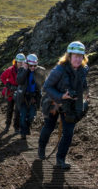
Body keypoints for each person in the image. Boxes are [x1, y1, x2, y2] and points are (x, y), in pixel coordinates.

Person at [38, 41, 89, 169]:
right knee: (49, 126)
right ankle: (41, 148)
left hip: (70, 105)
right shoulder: (59, 69)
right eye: (75, 55)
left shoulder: (83, 70)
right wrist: (61, 96)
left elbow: (83, 84)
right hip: (53, 102)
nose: (77, 59)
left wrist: (85, 94)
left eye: (80, 56)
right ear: (69, 56)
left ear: (83, 57)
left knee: (68, 132)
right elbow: (46, 87)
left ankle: (60, 159)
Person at [16, 54, 46, 140]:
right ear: (27, 64)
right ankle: (23, 133)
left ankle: (27, 127)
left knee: (32, 116)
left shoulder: (41, 71)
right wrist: (25, 70)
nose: (33, 67)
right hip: (23, 97)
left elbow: (44, 82)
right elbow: (19, 81)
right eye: (31, 66)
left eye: (35, 65)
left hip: (34, 97)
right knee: (23, 116)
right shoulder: (22, 69)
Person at [0, 53, 26, 134]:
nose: (20, 64)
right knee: (9, 109)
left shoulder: (25, 71)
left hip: (20, 93)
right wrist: (8, 84)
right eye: (19, 62)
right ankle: (7, 126)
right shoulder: (10, 70)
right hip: (11, 92)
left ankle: (16, 127)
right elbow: (2, 77)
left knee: (18, 111)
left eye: (22, 62)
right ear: (16, 62)